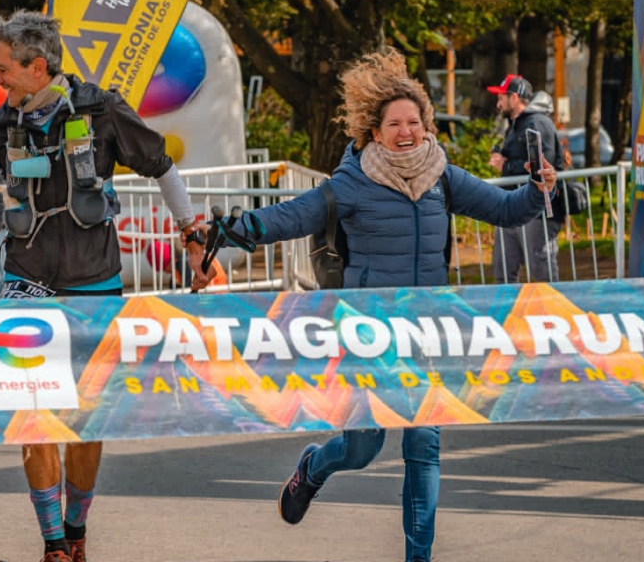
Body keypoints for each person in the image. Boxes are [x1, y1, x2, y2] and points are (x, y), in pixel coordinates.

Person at [0, 11, 211, 562]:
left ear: (37, 66)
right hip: (26, 286)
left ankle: (76, 530)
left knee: (87, 421)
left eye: (3, 69)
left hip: (95, 288)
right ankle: (54, 544)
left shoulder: (102, 111)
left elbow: (163, 167)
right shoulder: (0, 125)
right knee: (33, 417)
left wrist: (193, 235)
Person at [197, 50, 554, 562]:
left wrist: (538, 191)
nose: (406, 131)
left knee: (423, 449)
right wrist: (234, 228)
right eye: (395, 124)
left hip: (427, 331)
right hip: (369, 334)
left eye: (414, 122)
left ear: (426, 125)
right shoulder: (354, 183)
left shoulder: (442, 175)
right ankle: (313, 468)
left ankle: (418, 557)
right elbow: (293, 217)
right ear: (375, 130)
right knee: (363, 449)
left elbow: (502, 209)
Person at [487, 74, 563, 283]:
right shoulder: (516, 125)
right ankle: (506, 313)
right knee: (503, 271)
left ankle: (549, 312)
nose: (498, 102)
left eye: (501, 97)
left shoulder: (537, 122)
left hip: (537, 211)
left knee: (541, 272)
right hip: (512, 206)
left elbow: (545, 166)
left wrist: (506, 165)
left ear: (514, 98)